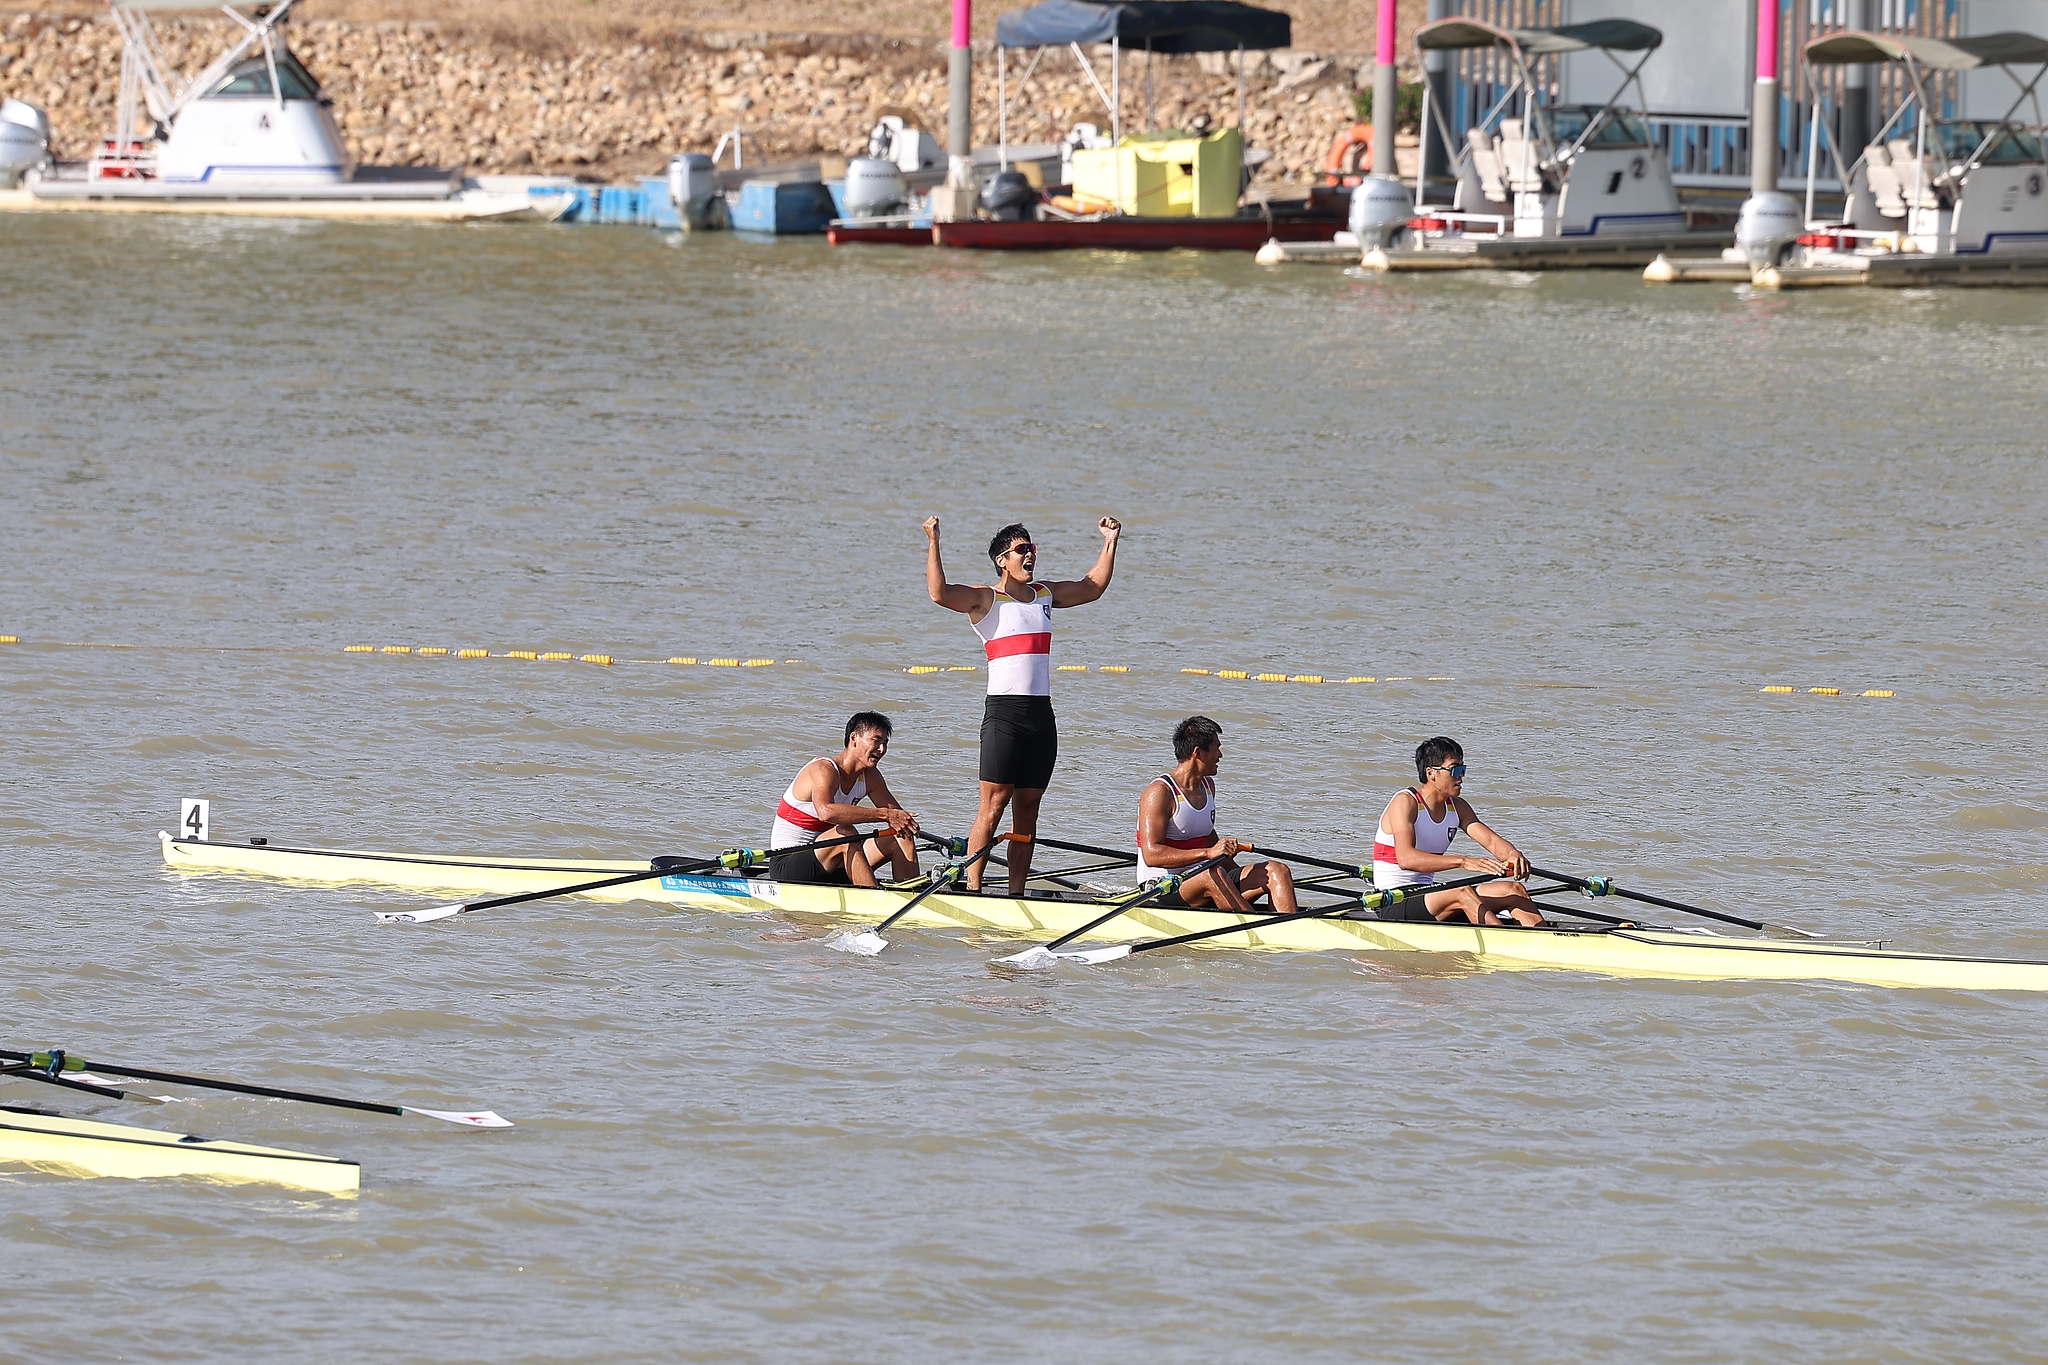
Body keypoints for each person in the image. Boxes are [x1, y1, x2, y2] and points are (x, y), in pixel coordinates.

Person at [923, 514, 1121, 894]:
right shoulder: (985, 599)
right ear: (1003, 560)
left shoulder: (1045, 595)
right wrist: (934, 541)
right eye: (1022, 550)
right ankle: (974, 888)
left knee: (1028, 809)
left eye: (1032, 549)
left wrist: (1110, 540)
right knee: (993, 806)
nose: (1030, 555)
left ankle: (1016, 892)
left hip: (1041, 717)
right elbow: (940, 593)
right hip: (1004, 716)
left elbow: (1091, 587)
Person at [1371, 737, 1546, 927]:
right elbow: (1406, 859)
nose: (1461, 776)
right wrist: (1464, 861)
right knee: (1462, 890)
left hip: (1429, 895)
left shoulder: (1457, 807)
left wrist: (1513, 855)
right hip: (1394, 900)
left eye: (1463, 770)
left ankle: (1546, 943)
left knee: (1514, 890)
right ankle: (1503, 944)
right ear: (1431, 773)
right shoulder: (1406, 802)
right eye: (1455, 770)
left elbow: (1491, 842)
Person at [1135, 715, 1299, 917]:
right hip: (1162, 888)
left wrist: (1235, 871)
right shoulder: (1160, 792)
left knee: (1277, 871)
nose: (1220, 755)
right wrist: (1208, 854)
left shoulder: (1207, 786)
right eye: (1216, 748)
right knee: (1212, 875)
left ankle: (1289, 929)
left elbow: (1206, 836)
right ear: (1198, 753)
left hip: (1209, 875)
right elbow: (1152, 854)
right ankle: (1262, 934)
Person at [767, 711, 920, 887]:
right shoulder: (823, 769)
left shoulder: (870, 777)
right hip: (787, 864)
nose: (882, 750)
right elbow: (826, 813)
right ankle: (873, 901)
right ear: (854, 738)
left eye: (885, 743)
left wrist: (906, 823)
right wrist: (885, 815)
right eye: (876, 741)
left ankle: (911, 897)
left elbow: (898, 817)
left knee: (901, 833)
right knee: (846, 832)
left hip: (831, 860)